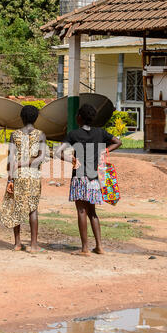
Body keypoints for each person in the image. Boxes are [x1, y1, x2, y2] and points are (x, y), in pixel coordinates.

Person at [56, 104, 122, 256]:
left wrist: (70, 159)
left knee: (81, 211)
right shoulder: (100, 132)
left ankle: (85, 248)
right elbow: (118, 142)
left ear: (79, 117)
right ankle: (99, 246)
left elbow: (58, 152)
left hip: (79, 178)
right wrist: (105, 150)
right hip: (94, 178)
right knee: (92, 212)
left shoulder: (73, 134)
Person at [2, 105, 46, 253]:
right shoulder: (41, 134)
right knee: (33, 209)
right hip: (33, 175)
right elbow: (40, 157)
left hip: (18, 174)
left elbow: (10, 158)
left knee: (17, 208)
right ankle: (33, 245)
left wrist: (10, 179)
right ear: (36, 118)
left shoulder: (14, 135)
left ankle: (18, 244)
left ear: (22, 117)